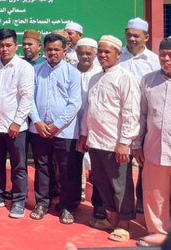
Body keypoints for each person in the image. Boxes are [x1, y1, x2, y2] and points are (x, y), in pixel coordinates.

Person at [79, 35, 140, 242]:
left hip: (116, 145)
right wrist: (84, 134)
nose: (102, 55)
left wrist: (125, 142)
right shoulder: (96, 77)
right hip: (95, 141)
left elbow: (131, 112)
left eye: (107, 52)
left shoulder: (125, 78)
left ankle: (124, 224)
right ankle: (111, 219)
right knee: (102, 183)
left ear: (119, 54)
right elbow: (90, 109)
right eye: (101, 52)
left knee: (121, 185)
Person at [0, 29, 34, 219]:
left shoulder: (24, 67)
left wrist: (17, 122)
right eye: (1, 45)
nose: (5, 49)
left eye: (8, 45)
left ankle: (19, 201)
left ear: (16, 46)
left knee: (18, 167)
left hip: (16, 129)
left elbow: (27, 97)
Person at [28, 33, 81, 223]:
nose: (52, 53)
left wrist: (57, 125)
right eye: (49, 49)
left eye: (56, 49)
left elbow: (74, 103)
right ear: (44, 49)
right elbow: (29, 99)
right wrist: (37, 121)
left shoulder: (72, 72)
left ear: (64, 50)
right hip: (39, 129)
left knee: (67, 169)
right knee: (42, 167)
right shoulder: (36, 70)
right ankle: (42, 203)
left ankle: (66, 206)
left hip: (64, 132)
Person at [134, 37, 171, 247]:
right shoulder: (148, 81)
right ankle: (158, 233)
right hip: (155, 149)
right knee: (154, 195)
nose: (166, 59)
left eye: (170, 55)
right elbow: (141, 115)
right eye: (163, 55)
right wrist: (137, 145)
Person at [120, 18, 159, 213]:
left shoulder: (153, 61)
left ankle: (142, 202)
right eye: (129, 34)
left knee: (145, 165)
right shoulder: (118, 56)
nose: (132, 39)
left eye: (136, 35)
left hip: (146, 120)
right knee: (122, 164)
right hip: (120, 120)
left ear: (146, 37)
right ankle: (123, 204)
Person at [74, 38, 105, 219]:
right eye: (81, 53)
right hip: (72, 127)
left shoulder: (101, 73)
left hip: (95, 128)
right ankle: (75, 197)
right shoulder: (70, 72)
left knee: (97, 169)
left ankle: (99, 205)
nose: (84, 57)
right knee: (73, 166)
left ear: (95, 54)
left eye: (88, 53)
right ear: (76, 53)